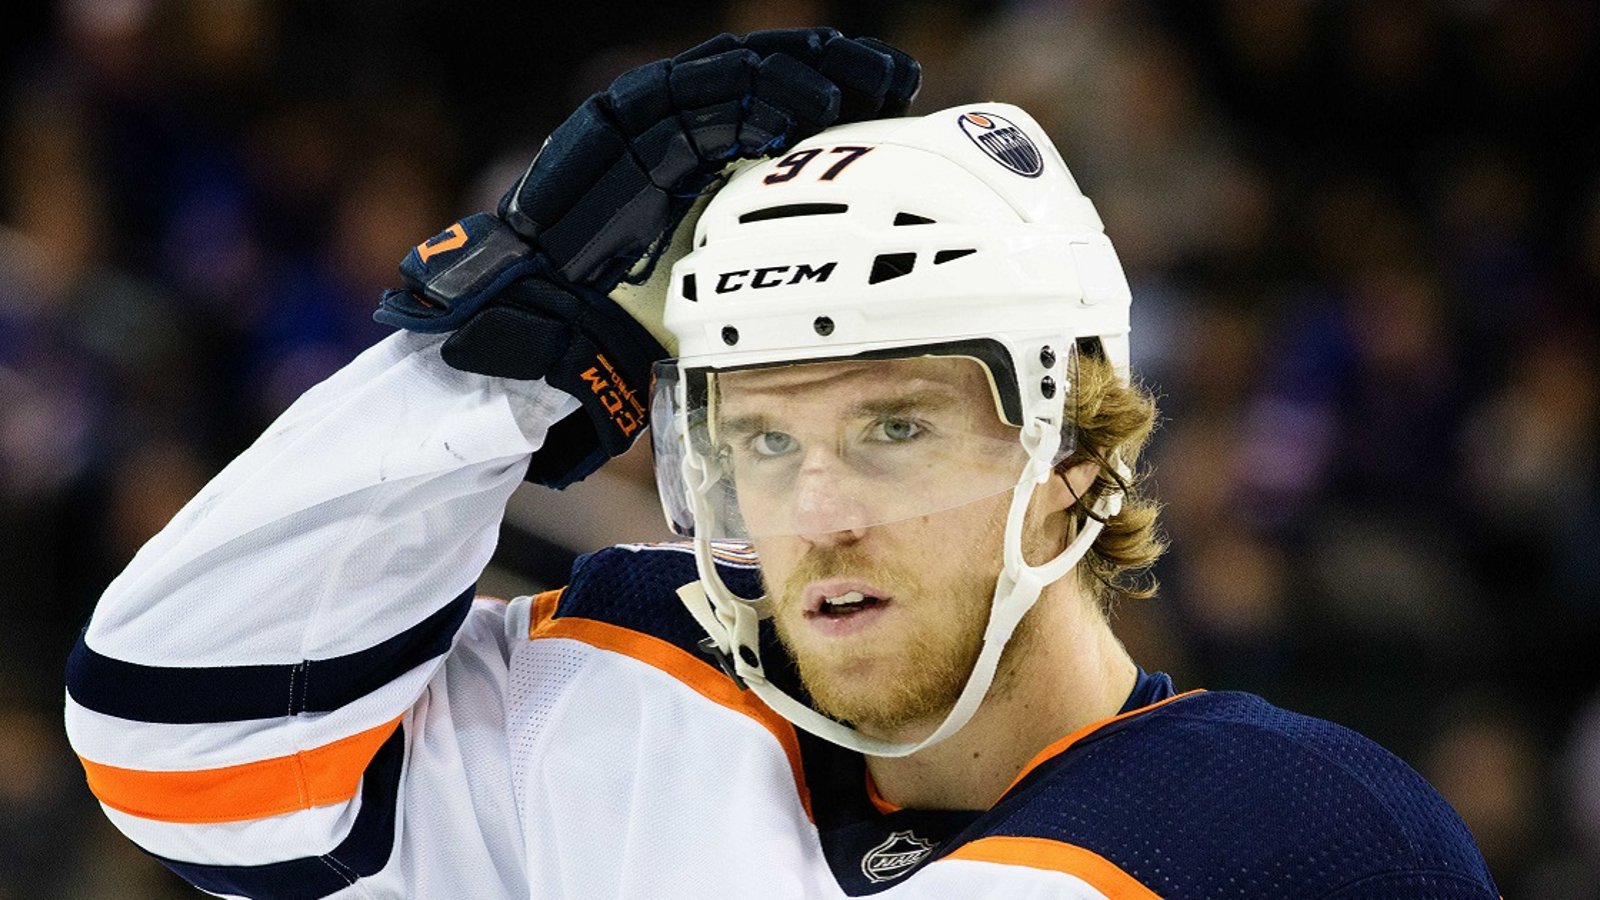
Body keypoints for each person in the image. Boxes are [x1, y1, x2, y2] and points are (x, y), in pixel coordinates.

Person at [65, 29, 1498, 899]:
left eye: (895, 428)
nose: (817, 517)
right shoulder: (630, 698)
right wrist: (507, 342)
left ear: (1073, 455)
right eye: (757, 438)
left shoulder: (1300, 836)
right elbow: (177, 738)